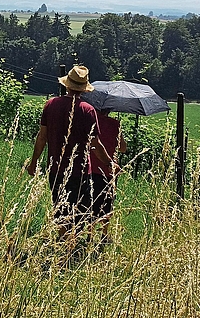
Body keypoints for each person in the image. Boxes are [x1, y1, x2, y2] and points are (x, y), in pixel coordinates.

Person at [26, 65, 114, 240]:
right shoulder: (88, 110)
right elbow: (95, 144)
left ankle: (62, 242)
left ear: (67, 85)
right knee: (80, 211)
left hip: (56, 169)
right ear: (84, 89)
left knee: (61, 209)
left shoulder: (50, 105)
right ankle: (71, 248)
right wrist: (109, 163)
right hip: (80, 171)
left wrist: (34, 162)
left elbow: (42, 137)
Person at [88, 109, 127, 240]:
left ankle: (89, 233)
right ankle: (104, 234)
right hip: (109, 171)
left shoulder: (91, 122)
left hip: (91, 168)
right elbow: (123, 148)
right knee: (107, 203)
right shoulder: (114, 124)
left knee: (90, 202)